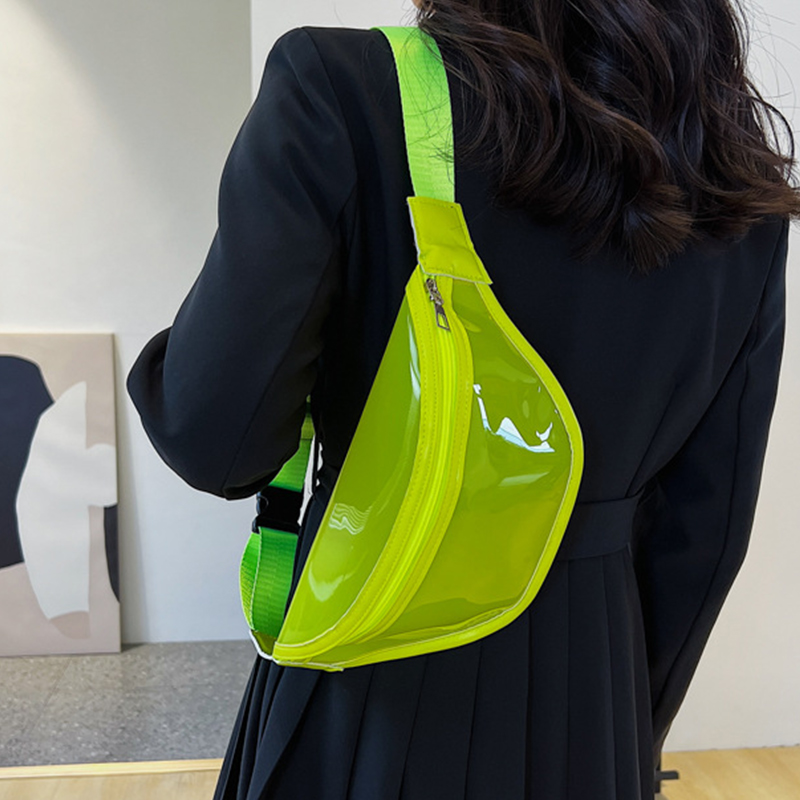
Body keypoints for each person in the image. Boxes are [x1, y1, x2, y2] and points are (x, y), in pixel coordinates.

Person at [127, 1, 797, 798]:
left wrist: (168, 361)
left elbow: (217, 442)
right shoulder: (731, 175)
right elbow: (707, 533)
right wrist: (623, 729)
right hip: (594, 694)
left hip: (373, 669)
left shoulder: (342, 89)